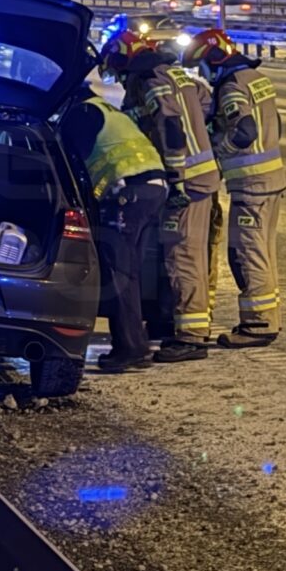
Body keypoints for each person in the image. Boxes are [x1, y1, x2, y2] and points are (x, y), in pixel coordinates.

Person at [100, 31, 220, 362]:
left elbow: (170, 127)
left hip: (188, 181)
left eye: (119, 72)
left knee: (183, 257)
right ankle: (170, 322)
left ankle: (192, 336)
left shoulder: (151, 82)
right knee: (176, 253)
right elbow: (206, 104)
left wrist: (177, 178)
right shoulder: (176, 75)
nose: (121, 80)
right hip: (200, 175)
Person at [182, 29, 286, 348]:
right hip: (272, 182)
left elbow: (244, 129)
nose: (204, 75)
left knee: (246, 254)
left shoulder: (231, 87)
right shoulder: (257, 78)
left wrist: (217, 152)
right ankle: (268, 318)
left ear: (215, 59)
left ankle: (257, 326)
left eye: (204, 67)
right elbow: (275, 125)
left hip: (251, 185)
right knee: (263, 252)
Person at [60, 87, 167, 372]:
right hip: (150, 191)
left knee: (118, 272)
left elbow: (71, 163)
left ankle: (130, 348)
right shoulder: (104, 109)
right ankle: (136, 344)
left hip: (129, 194)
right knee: (128, 272)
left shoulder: (82, 114)